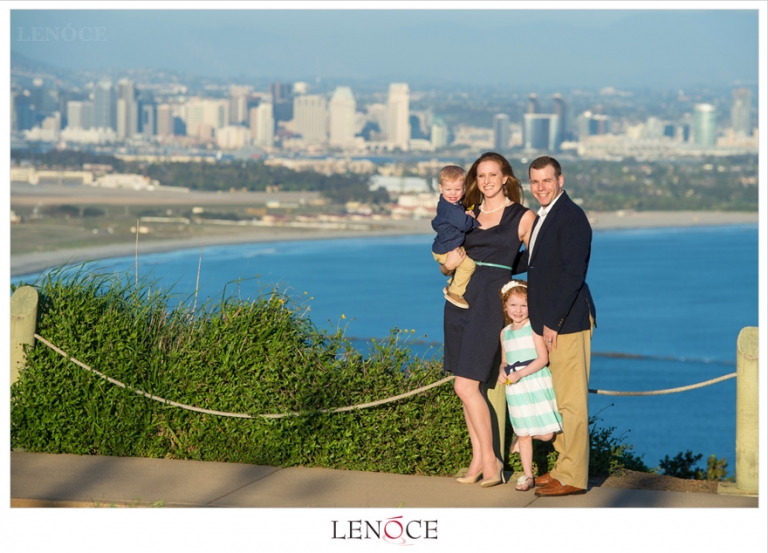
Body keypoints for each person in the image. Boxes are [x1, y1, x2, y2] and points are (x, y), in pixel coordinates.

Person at [440, 152, 536, 488]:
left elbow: (537, 261)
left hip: (491, 304)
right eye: (481, 176)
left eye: (493, 175)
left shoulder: (524, 217)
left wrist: (521, 302)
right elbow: (446, 259)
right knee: (469, 388)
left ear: (506, 177)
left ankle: (492, 460)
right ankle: (479, 459)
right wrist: (447, 264)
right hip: (459, 298)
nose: (486, 181)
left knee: (463, 385)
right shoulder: (466, 214)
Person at [523, 156, 597, 497]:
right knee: (558, 401)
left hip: (567, 323)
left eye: (546, 181)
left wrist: (552, 322)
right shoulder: (543, 216)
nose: (541, 187)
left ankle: (573, 477)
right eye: (535, 182)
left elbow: (572, 275)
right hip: (549, 322)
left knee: (571, 402)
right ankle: (561, 468)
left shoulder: (572, 217)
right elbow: (536, 263)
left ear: (560, 180)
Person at [496, 279, 562, 492]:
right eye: (513, 305)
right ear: (506, 307)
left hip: (535, 381)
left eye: (524, 305)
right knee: (525, 433)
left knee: (547, 433)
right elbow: (505, 360)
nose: (518, 310)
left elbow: (542, 359)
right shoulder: (504, 333)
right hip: (515, 387)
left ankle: (520, 437)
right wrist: (501, 371)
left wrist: (521, 374)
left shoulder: (534, 329)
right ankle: (527, 475)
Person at [431, 165, 480, 309]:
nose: (453, 193)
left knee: (464, 262)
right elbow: (464, 225)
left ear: (464, 188)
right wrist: (471, 218)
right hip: (445, 250)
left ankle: (453, 283)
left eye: (457, 190)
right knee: (469, 265)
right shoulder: (451, 209)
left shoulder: (448, 203)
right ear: (440, 188)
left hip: (444, 246)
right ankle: (455, 292)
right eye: (448, 190)